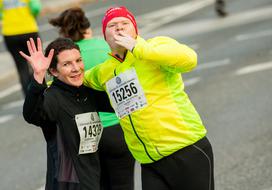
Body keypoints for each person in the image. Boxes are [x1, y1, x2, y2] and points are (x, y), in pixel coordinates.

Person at [83, 6, 214, 190]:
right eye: (112, 25)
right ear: (105, 36)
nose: (119, 28)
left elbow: (189, 59)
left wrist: (140, 49)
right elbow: (77, 79)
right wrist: (45, 77)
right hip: (150, 162)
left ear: (135, 30)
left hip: (186, 149)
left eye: (124, 23)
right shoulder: (104, 71)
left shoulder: (155, 47)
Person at [48, 7, 135, 190]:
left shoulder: (68, 56)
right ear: (88, 28)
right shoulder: (107, 47)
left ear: (64, 32)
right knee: (124, 184)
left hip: (86, 133)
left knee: (96, 184)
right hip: (117, 126)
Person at [20, 37, 113, 190]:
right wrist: (38, 77)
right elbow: (32, 114)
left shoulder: (87, 92)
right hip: (67, 184)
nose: (76, 68)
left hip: (92, 179)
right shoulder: (52, 98)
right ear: (54, 71)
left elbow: (121, 104)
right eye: (67, 64)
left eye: (78, 60)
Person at [0, 0, 41, 96]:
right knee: (37, 65)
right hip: (29, 29)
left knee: (22, 68)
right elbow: (36, 8)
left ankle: (29, 99)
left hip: (10, 33)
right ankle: (41, 95)